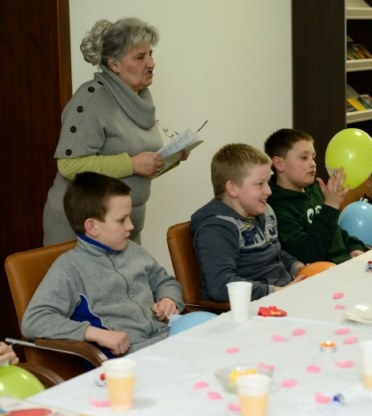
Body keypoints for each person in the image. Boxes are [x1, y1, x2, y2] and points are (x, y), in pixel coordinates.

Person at [42, 18, 189, 246]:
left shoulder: (139, 99)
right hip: (82, 229)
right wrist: (132, 164)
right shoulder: (91, 99)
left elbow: (136, 167)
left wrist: (169, 158)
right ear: (114, 65)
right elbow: (69, 165)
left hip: (123, 227)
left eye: (151, 54)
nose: (151, 63)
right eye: (140, 57)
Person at [22, 172, 184, 356]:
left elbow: (165, 282)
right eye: (121, 220)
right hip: (130, 356)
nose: (130, 226)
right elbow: (34, 321)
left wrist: (169, 299)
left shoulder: (133, 250)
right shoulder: (69, 268)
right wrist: (95, 334)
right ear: (92, 227)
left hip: (168, 339)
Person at [191, 144, 305, 302]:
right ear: (232, 188)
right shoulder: (216, 228)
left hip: (283, 290)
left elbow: (274, 252)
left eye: (268, 182)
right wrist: (277, 291)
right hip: (256, 305)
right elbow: (221, 285)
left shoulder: (264, 211)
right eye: (260, 184)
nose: (269, 191)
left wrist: (297, 267)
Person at [266, 128, 366, 264]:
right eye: (304, 157)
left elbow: (334, 229)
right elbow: (307, 255)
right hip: (324, 271)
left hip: (346, 262)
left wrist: (353, 246)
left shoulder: (315, 191)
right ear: (279, 163)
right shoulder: (277, 209)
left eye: (313, 157)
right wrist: (331, 206)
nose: (313, 163)